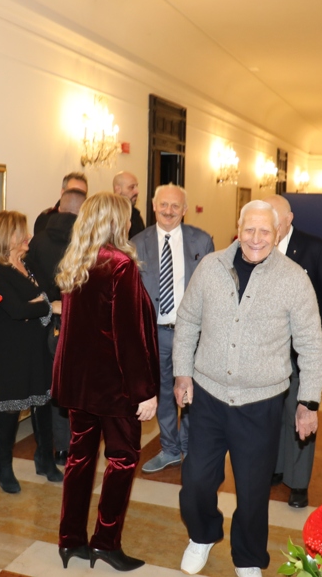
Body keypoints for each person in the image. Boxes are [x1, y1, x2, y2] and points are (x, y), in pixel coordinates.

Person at [174, 201, 322, 577]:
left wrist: (308, 402)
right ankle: (202, 534)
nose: (256, 238)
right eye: (249, 229)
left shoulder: (293, 278)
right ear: (238, 229)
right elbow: (188, 321)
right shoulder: (211, 267)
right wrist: (182, 374)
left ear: (278, 233)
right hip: (208, 395)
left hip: (261, 403)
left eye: (265, 231)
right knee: (195, 481)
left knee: (253, 489)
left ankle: (248, 557)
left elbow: (311, 344)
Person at [53, 193, 159, 572]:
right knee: (123, 459)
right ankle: (105, 543)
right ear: (117, 222)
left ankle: (70, 540)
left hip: (80, 385)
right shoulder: (119, 265)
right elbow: (128, 335)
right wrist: (144, 392)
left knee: (79, 459)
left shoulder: (77, 261)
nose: (130, 223)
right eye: (126, 218)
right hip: (115, 387)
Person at [265, 195, 322, 509]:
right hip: (268, 350)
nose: (270, 224)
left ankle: (298, 483)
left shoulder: (316, 249)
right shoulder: (257, 247)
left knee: (301, 412)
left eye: (275, 218)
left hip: (302, 350)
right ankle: (275, 467)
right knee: (272, 413)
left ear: (289, 218)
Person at [0, 211, 63, 494]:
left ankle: (45, 459)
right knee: (11, 405)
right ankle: (3, 464)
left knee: (43, 400)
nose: (28, 236)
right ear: (6, 237)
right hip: (10, 349)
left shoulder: (28, 265)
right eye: (21, 232)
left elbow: (47, 294)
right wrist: (47, 305)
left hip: (37, 344)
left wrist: (40, 303)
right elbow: (16, 310)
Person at [132, 184, 214, 474]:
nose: (168, 211)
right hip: (155, 333)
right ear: (154, 206)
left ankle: (189, 449)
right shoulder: (136, 244)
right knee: (162, 391)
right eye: (163, 205)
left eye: (175, 206)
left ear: (185, 210)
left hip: (191, 333)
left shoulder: (202, 241)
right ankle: (169, 449)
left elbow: (213, 289)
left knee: (190, 392)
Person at [25, 188, 87, 465]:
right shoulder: (86, 239)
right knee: (78, 384)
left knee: (53, 385)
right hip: (79, 320)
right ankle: (79, 441)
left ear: (59, 208)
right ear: (82, 211)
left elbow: (29, 281)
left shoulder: (38, 240)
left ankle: (60, 447)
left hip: (47, 319)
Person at [34, 172, 88, 236]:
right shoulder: (45, 218)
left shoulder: (88, 220)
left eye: (82, 194)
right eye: (72, 192)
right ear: (62, 192)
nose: (76, 197)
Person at [112, 171, 145, 239]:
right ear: (118, 189)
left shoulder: (135, 215)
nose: (137, 191)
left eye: (136, 186)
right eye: (131, 187)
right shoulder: (108, 214)